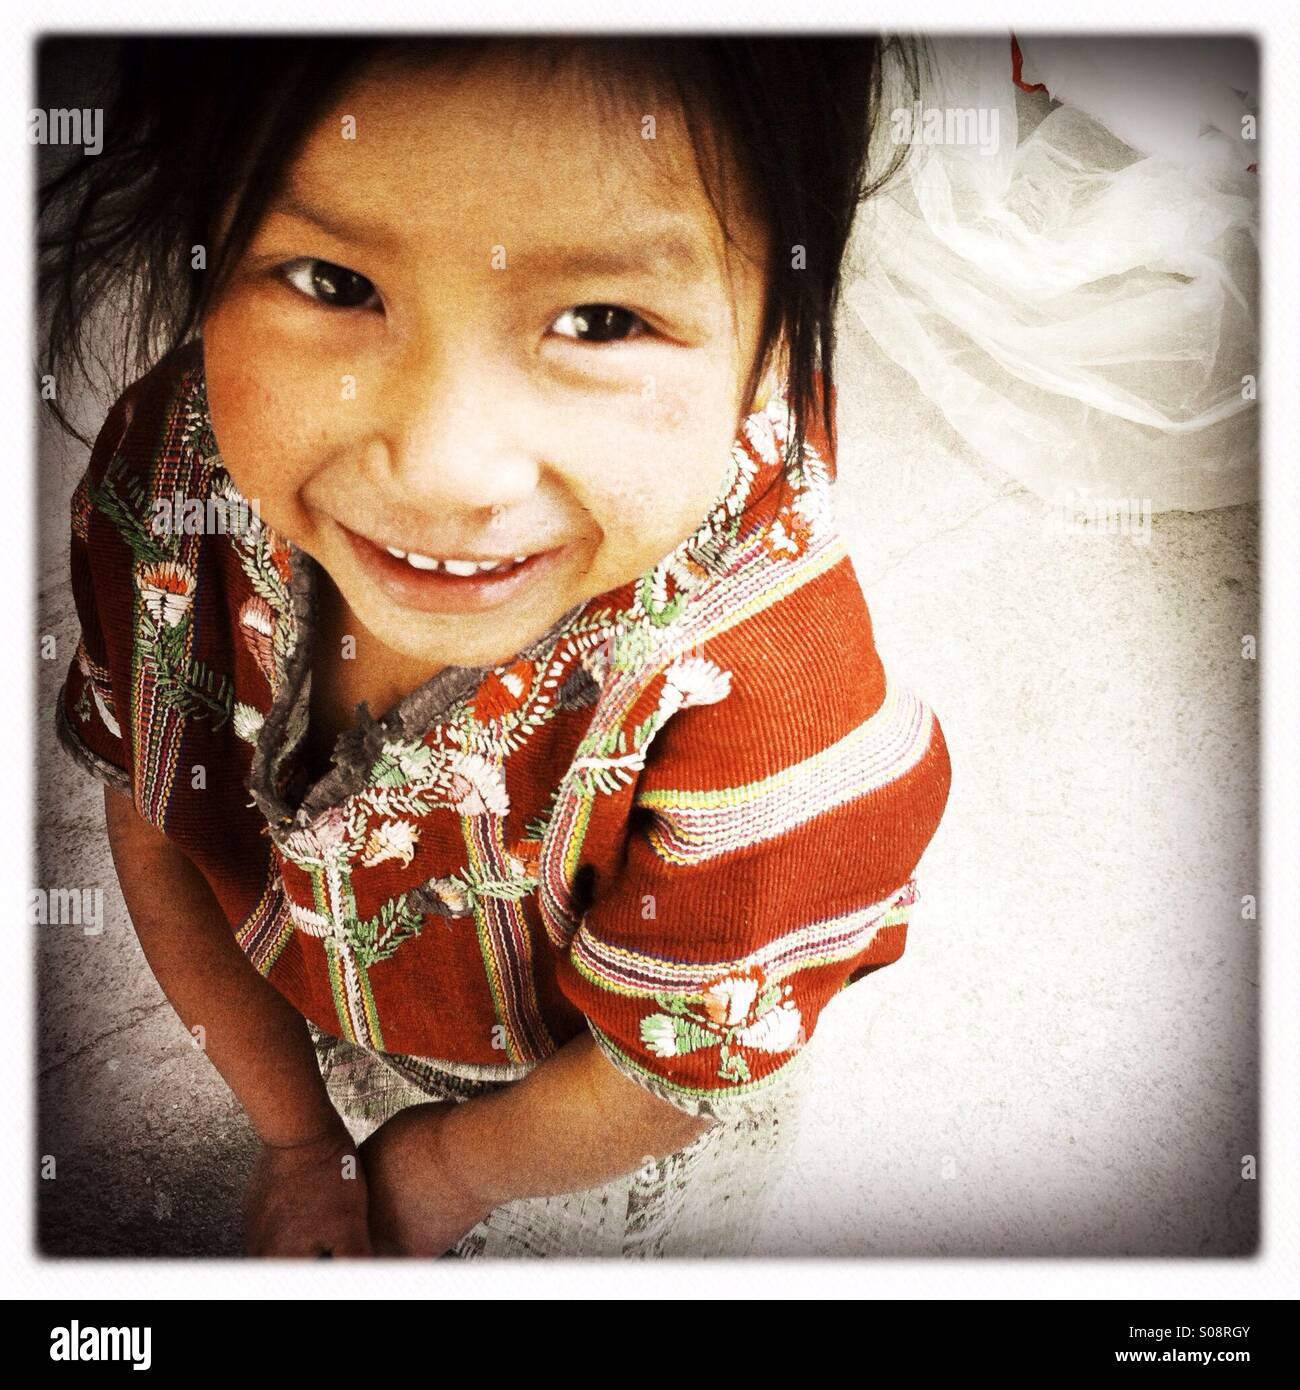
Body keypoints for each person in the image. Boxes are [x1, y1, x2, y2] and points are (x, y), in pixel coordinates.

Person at [41, 35, 952, 1258]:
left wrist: (441, 1168)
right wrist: (304, 1142)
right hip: (352, 1024)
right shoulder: (172, 489)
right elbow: (161, 820)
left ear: (775, 347)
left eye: (599, 318)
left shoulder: (778, 699)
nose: (443, 469)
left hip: (598, 1110)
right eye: (331, 281)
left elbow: (660, 1071)